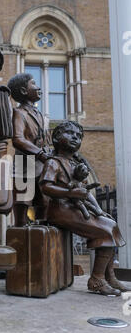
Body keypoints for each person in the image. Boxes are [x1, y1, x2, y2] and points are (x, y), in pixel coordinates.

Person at [39, 121, 128, 296]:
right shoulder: (53, 162)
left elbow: (85, 192)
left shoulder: (73, 164)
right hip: (60, 210)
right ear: (57, 138)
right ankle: (96, 279)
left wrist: (99, 211)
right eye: (70, 134)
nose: (75, 138)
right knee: (104, 230)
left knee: (110, 223)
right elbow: (46, 187)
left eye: (78, 136)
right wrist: (70, 193)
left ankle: (108, 276)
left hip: (73, 208)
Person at [7, 72, 51, 225]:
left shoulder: (39, 113)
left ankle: (43, 238)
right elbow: (18, 139)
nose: (38, 87)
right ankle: (20, 242)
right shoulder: (19, 113)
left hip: (41, 167)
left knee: (45, 205)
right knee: (22, 208)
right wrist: (39, 154)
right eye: (33, 84)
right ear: (24, 91)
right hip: (24, 168)